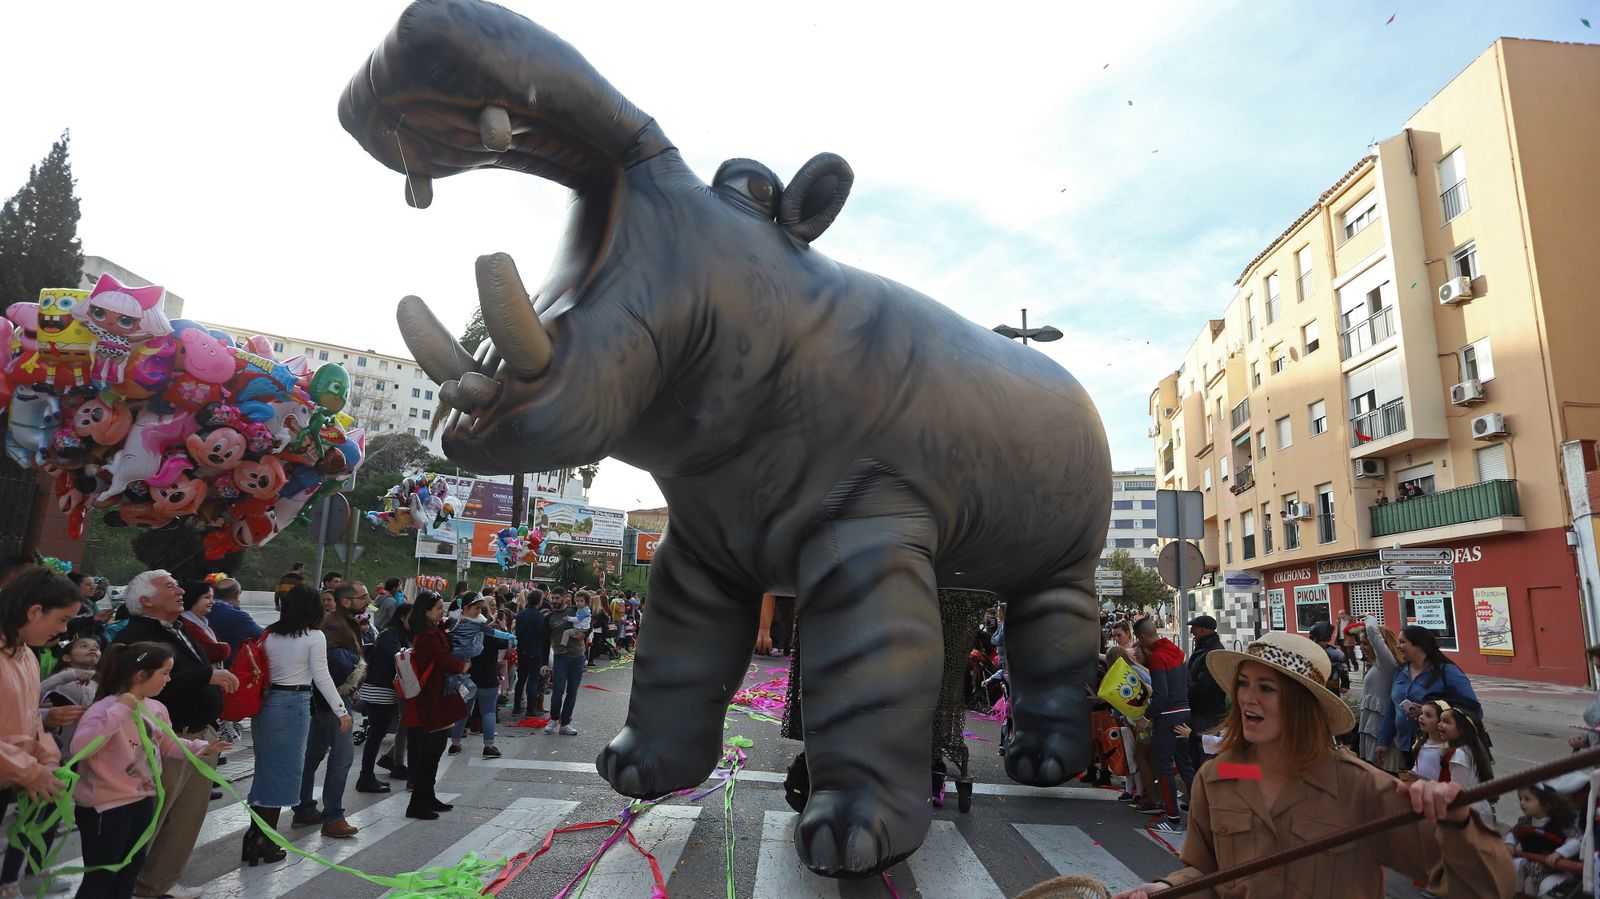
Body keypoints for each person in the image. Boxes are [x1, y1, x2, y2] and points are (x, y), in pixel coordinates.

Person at [1112, 631, 1514, 899]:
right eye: (1244, 684)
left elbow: (1486, 887)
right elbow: (1207, 873)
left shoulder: (1360, 787)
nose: (1248, 699)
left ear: (1304, 705)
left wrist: (1458, 824)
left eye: (1266, 688)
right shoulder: (1218, 777)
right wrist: (1164, 887)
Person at [112, 570, 236, 899]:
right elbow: (140, 688)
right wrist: (206, 676)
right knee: (150, 819)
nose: (181, 590)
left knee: (186, 818)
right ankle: (122, 887)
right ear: (145, 600)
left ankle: (157, 885)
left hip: (199, 734)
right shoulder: (136, 635)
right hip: (165, 739)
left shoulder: (179, 627)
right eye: (170, 587)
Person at [71, 643, 227, 899]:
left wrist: (201, 747)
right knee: (101, 877)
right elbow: (81, 747)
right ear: (140, 675)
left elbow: (167, 744)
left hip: (142, 800)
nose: (168, 680)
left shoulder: (156, 708)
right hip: (105, 807)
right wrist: (120, 710)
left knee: (129, 872)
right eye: (164, 673)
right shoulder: (104, 708)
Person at [247, 584, 347, 863]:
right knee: (282, 776)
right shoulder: (314, 636)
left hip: (266, 706)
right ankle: (264, 842)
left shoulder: (270, 634)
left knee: (265, 770)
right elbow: (322, 677)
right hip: (293, 705)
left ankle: (253, 837)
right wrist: (341, 711)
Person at [0, 570, 79, 899]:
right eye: (62, 620)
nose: (63, 630)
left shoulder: (25, 655)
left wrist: (47, 759)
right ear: (34, 612)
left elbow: (31, 717)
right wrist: (30, 770)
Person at [291, 582, 367, 838]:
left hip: (321, 701)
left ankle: (303, 809)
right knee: (341, 759)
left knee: (312, 757)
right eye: (363, 597)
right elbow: (328, 670)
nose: (367, 600)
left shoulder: (340, 622)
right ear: (347, 601)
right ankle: (333, 816)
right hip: (332, 701)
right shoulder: (334, 624)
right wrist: (341, 705)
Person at [1377, 626, 1484, 770]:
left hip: (1439, 747)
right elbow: (1392, 709)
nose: (1398, 646)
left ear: (1419, 645)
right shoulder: (1400, 672)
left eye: (1402, 642)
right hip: (1405, 746)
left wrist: (1433, 711)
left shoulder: (1448, 672)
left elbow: (1473, 709)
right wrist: (1383, 741)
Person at [401, 591, 468, 819]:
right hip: (430, 698)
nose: (442, 611)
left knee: (435, 751)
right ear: (426, 611)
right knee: (429, 752)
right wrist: (462, 665)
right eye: (439, 608)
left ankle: (427, 796)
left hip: (439, 694)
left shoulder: (434, 631)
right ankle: (417, 802)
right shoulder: (426, 636)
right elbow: (446, 660)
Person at [1134, 616, 1193, 834]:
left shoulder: (1158, 657)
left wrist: (1146, 717)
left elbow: (1161, 694)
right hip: (1184, 712)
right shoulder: (1175, 651)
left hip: (1167, 716)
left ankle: (1173, 819)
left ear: (1141, 637)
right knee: (1186, 764)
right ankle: (1201, 814)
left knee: (1163, 766)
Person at [355, 603, 412, 792]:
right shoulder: (390, 635)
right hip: (379, 690)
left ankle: (368, 776)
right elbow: (395, 659)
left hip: (384, 690)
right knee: (375, 736)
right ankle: (365, 777)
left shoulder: (398, 635)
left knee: (376, 735)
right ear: (403, 617)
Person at [447, 595, 510, 758]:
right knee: (488, 711)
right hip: (488, 677)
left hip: (466, 675)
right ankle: (488, 745)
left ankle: (455, 743)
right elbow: (507, 644)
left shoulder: (459, 627)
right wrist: (503, 628)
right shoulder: (487, 631)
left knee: (463, 711)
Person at [1506, 784, 1580, 897]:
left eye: (1527, 799)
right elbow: (1513, 833)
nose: (1522, 803)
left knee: (1540, 884)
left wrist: (1559, 853)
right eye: (1520, 799)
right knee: (1513, 867)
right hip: (1531, 863)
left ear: (1546, 803)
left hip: (1556, 869)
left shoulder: (1560, 823)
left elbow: (1576, 840)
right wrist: (1509, 844)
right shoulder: (1525, 821)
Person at [1353, 615, 1401, 771]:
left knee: (1385, 775)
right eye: (1360, 643)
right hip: (1372, 727)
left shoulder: (1386, 665)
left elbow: (1374, 635)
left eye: (1365, 643)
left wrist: (1369, 619)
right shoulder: (1376, 665)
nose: (1361, 647)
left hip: (1382, 730)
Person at [1438, 706, 1495, 827]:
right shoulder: (1468, 750)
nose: (1440, 725)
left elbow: (1458, 791)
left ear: (1462, 729)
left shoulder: (1459, 755)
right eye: (1440, 720)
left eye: (1446, 722)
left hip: (1467, 813)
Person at [1185, 615, 1226, 775]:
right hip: (1199, 711)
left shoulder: (1214, 652)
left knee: (1206, 757)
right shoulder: (1203, 648)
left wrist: (1185, 691)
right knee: (1196, 756)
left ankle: (1208, 794)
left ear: (1203, 629)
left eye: (1194, 629)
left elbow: (1206, 687)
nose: (1191, 632)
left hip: (1207, 712)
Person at [544, 590, 586, 735]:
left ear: (564, 598)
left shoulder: (575, 610)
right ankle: (553, 719)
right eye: (552, 598)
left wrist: (586, 633)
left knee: (572, 692)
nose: (554, 600)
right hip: (560, 657)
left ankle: (565, 723)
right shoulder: (549, 617)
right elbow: (545, 641)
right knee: (558, 691)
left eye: (557, 598)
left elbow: (590, 620)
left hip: (577, 657)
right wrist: (544, 662)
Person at [204, 576, 264, 668]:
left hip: (206, 665)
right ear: (236, 594)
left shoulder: (203, 610)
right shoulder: (237, 616)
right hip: (230, 668)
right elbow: (262, 636)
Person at [512, 588, 549, 718]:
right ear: (539, 601)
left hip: (522, 650)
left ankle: (516, 707)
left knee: (521, 679)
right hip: (535, 651)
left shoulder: (521, 614)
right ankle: (530, 709)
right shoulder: (539, 616)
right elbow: (541, 635)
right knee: (533, 680)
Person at [178, 582, 229, 666]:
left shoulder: (201, 621)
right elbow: (216, 652)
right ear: (193, 598)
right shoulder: (187, 624)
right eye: (207, 597)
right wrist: (226, 646)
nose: (213, 602)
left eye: (213, 597)